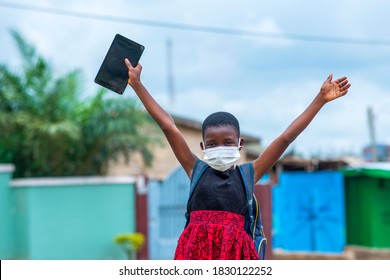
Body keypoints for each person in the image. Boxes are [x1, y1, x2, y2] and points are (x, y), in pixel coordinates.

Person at [124, 58, 351, 260]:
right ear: (203, 147)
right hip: (193, 254)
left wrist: (319, 100)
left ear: (240, 144)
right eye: (212, 144)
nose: (220, 147)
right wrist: (137, 85)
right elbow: (168, 126)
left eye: (228, 142)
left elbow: (286, 137)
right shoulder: (195, 169)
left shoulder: (248, 174)